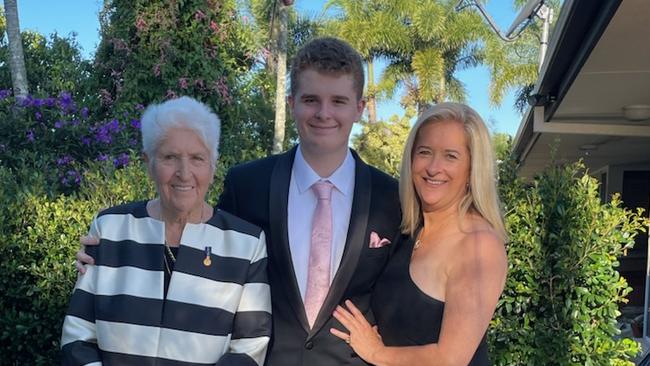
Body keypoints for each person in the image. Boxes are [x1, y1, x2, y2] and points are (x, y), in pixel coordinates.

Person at [74, 37, 402, 366]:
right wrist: (108, 257)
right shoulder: (248, 185)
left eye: (339, 101)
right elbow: (204, 253)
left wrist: (383, 353)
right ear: (292, 103)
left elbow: (410, 286)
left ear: (359, 107)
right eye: (311, 99)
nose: (324, 113)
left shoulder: (394, 199)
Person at [61, 96, 271, 366]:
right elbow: (78, 335)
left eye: (197, 158)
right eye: (170, 157)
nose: (184, 173)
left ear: (213, 165)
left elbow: (250, 347)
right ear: (149, 162)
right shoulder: (111, 228)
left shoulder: (246, 243)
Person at [330, 103, 508, 365]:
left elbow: (450, 359)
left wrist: (377, 353)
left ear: (472, 169)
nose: (434, 168)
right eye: (425, 152)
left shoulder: (479, 245)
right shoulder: (409, 232)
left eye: (451, 156)